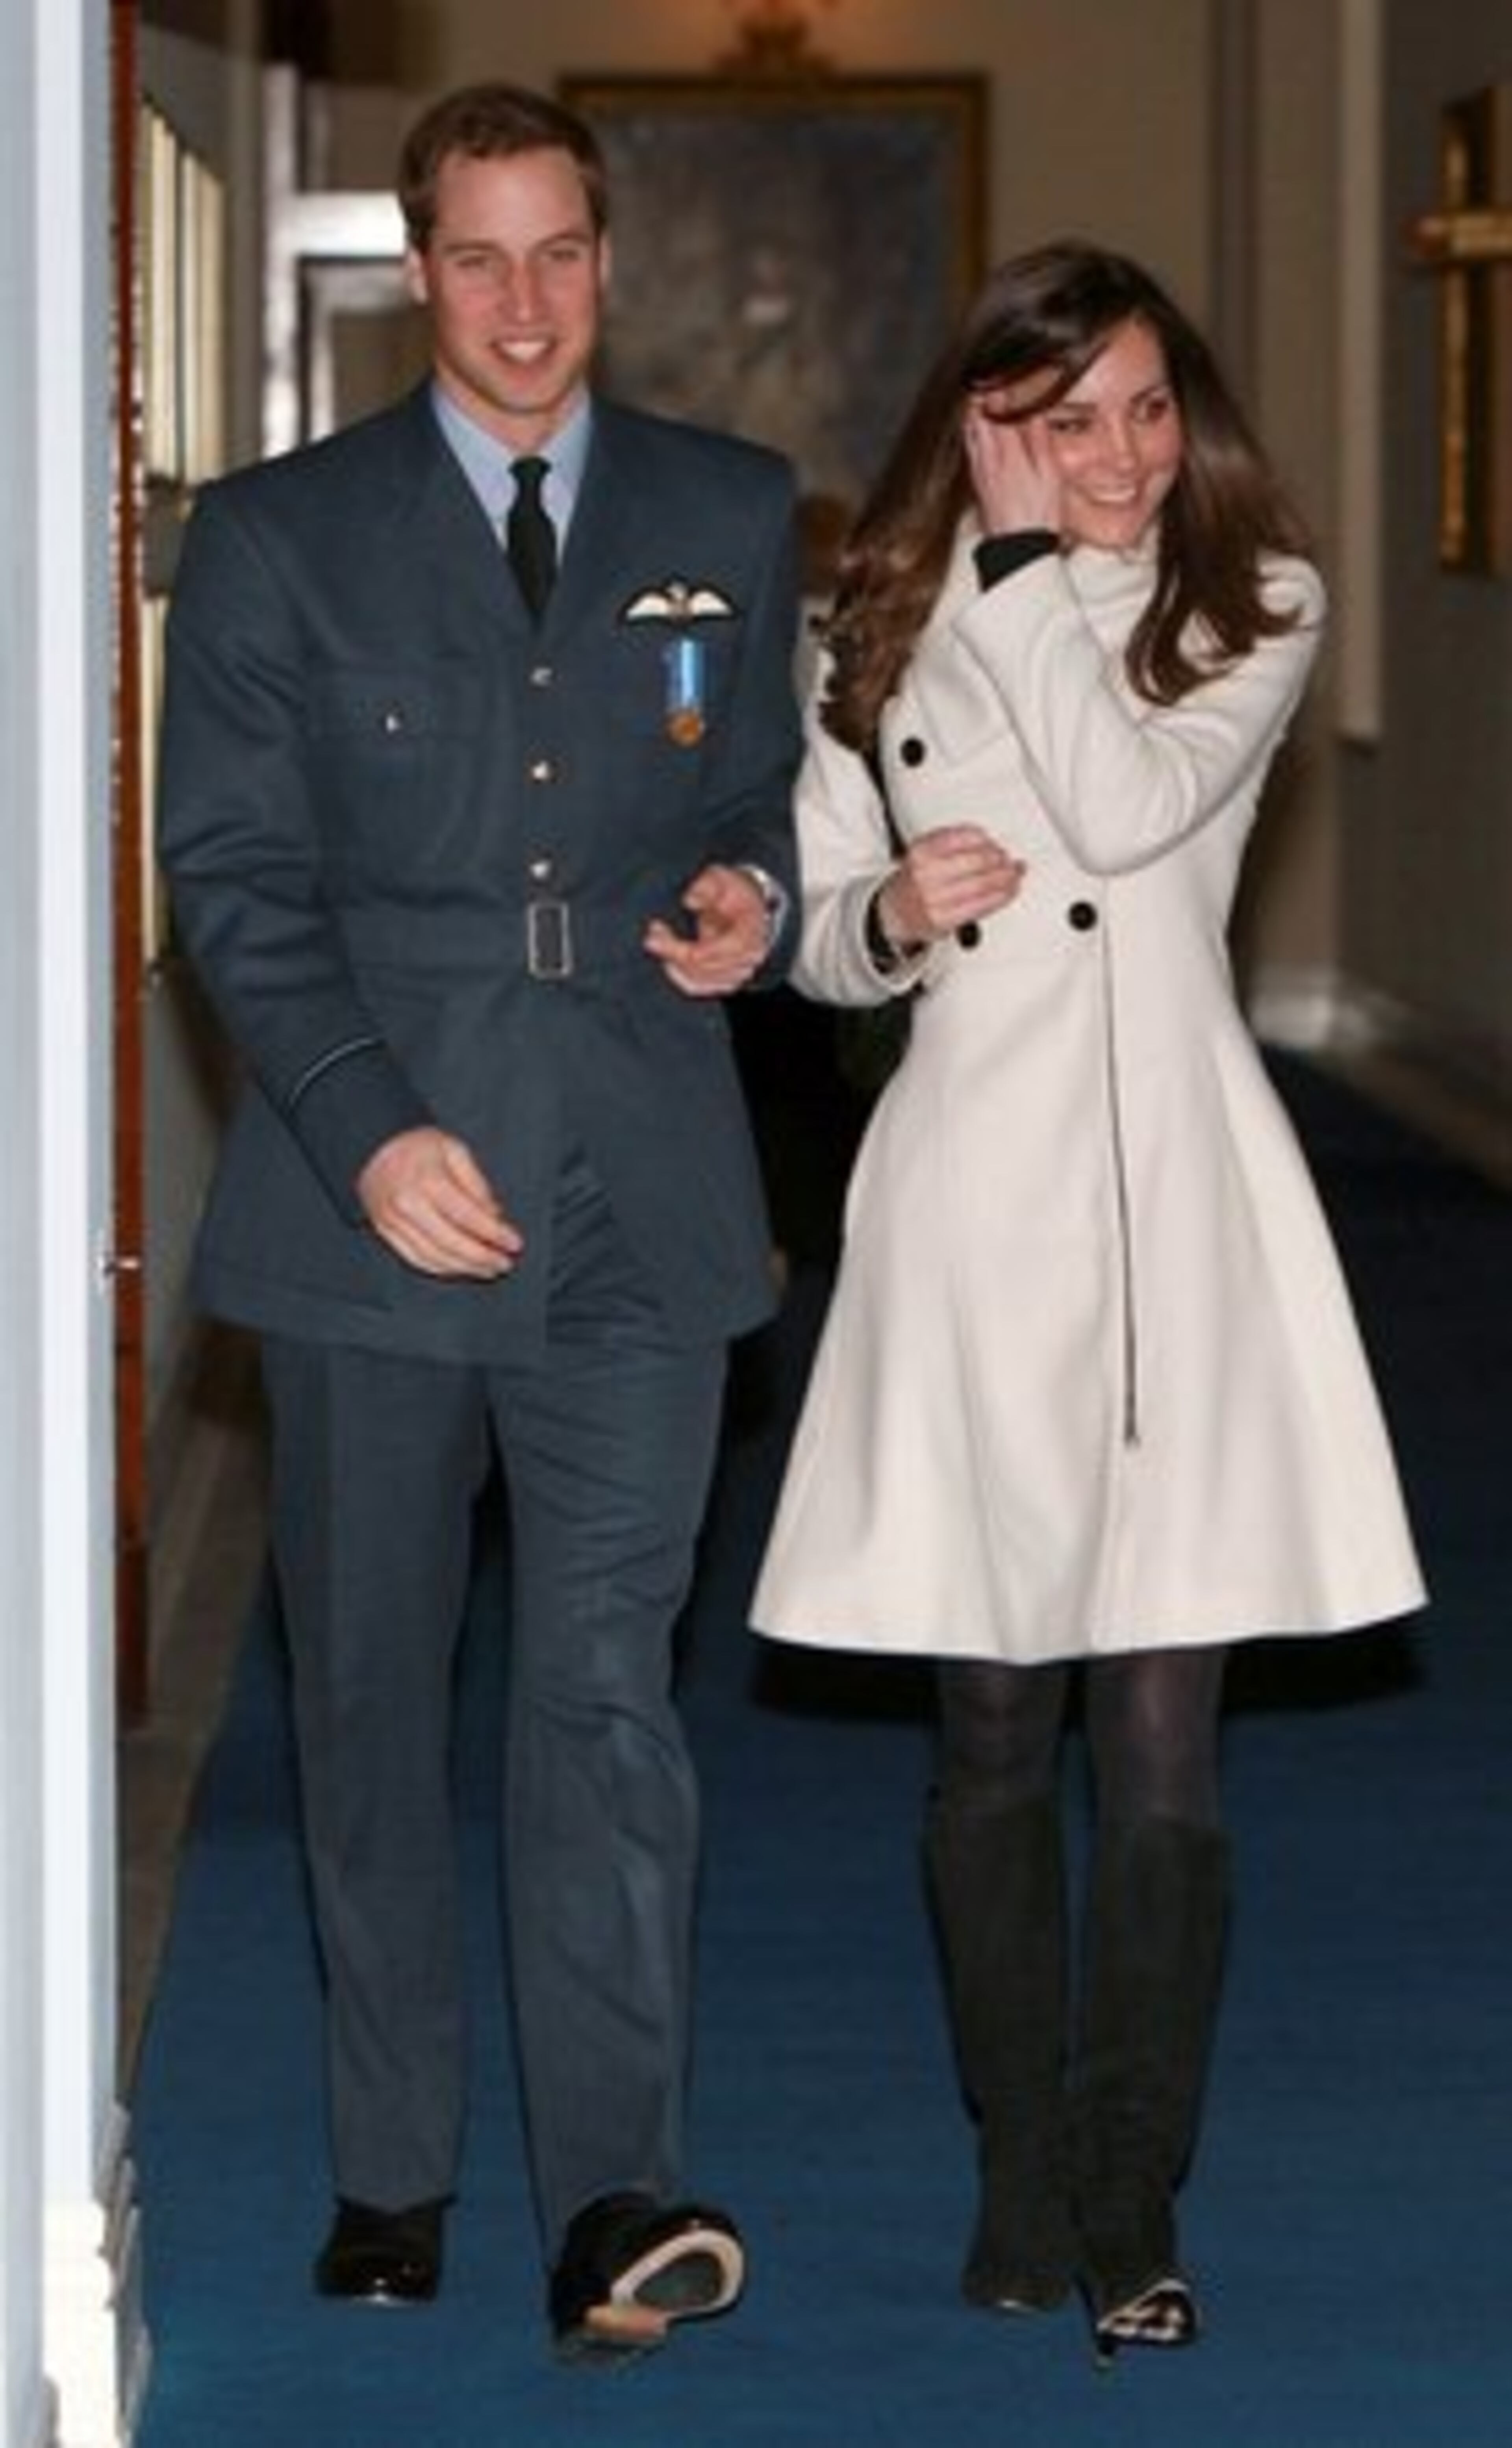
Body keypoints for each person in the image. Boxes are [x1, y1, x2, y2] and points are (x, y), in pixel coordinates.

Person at [158, 82, 800, 2362]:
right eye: (482, 260)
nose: (527, 308)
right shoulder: (277, 537)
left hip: (639, 1175)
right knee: (368, 1688)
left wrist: (753, 894)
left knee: (607, 1692)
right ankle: (392, 2157)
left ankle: (617, 2186)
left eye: (564, 256)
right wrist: (359, 1125)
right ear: (416, 274)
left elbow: (749, 793)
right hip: (379, 1201)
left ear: (604, 261)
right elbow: (229, 879)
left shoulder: (730, 509)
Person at [750, 241, 1425, 2364]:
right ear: (987, 421)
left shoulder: (1257, 607)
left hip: (1172, 1216)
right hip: (967, 1201)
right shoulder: (866, 623)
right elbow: (822, 938)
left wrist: (1030, 564)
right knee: (982, 1719)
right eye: (1068, 417)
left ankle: (1134, 2184)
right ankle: (1017, 2157)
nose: (1121, 453)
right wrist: (877, 903)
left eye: (1147, 406)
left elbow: (1129, 817)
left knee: (1158, 1733)